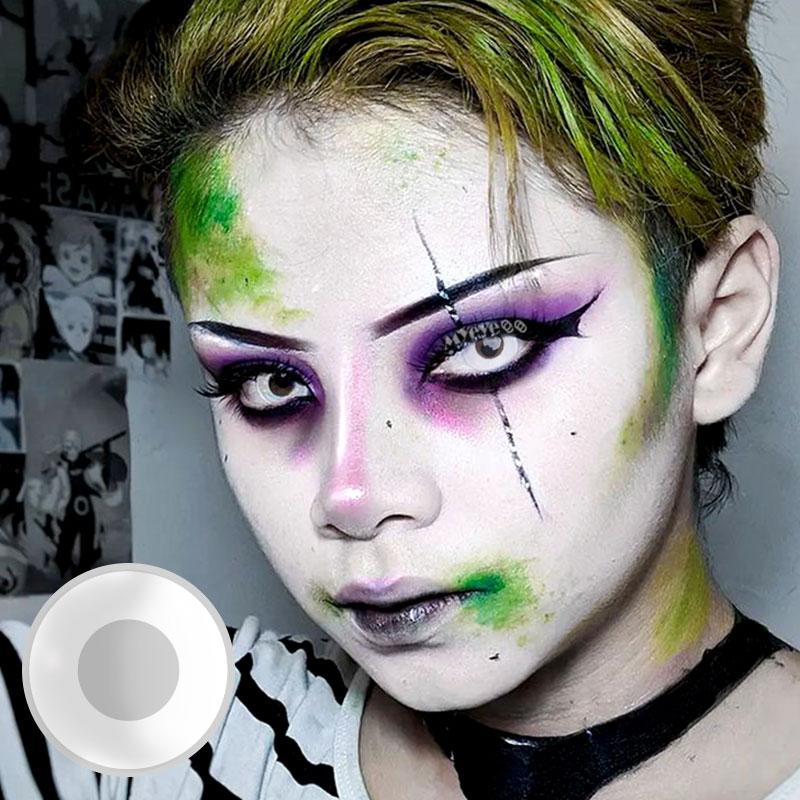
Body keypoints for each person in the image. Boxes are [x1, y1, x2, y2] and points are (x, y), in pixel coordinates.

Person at [2, 1, 799, 798]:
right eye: (272, 383)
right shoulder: (149, 732)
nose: (351, 497)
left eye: (482, 346)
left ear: (718, 324)